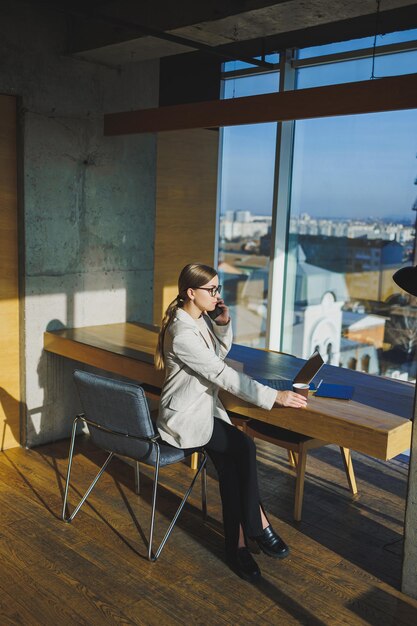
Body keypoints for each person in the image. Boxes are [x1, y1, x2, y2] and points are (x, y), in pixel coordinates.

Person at [155, 263, 307, 583]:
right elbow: (221, 374)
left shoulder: (197, 320)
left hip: (203, 412)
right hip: (185, 418)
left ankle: (237, 544)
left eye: (218, 288)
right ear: (190, 292)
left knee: (230, 465)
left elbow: (215, 358)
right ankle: (257, 525)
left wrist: (222, 325)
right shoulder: (181, 332)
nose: (217, 296)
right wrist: (273, 397)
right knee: (243, 446)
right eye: (211, 290)